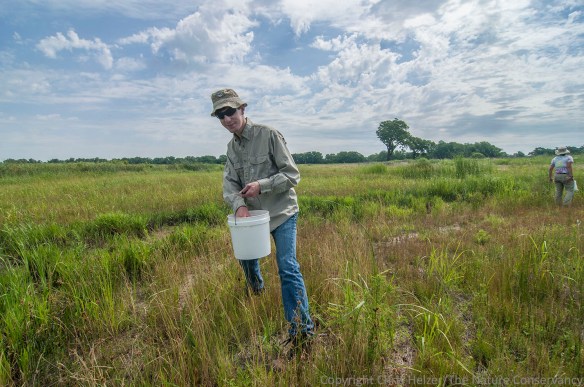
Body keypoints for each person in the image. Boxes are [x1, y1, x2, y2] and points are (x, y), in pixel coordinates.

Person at [210, 88, 314, 347]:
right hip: (253, 215)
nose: (226, 119)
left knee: (287, 267)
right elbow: (230, 185)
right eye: (220, 115)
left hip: (281, 212)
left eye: (229, 112)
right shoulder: (231, 148)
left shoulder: (268, 135)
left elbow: (292, 176)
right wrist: (239, 206)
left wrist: (262, 185)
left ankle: (302, 332)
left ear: (242, 109)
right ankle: (256, 290)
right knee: (246, 258)